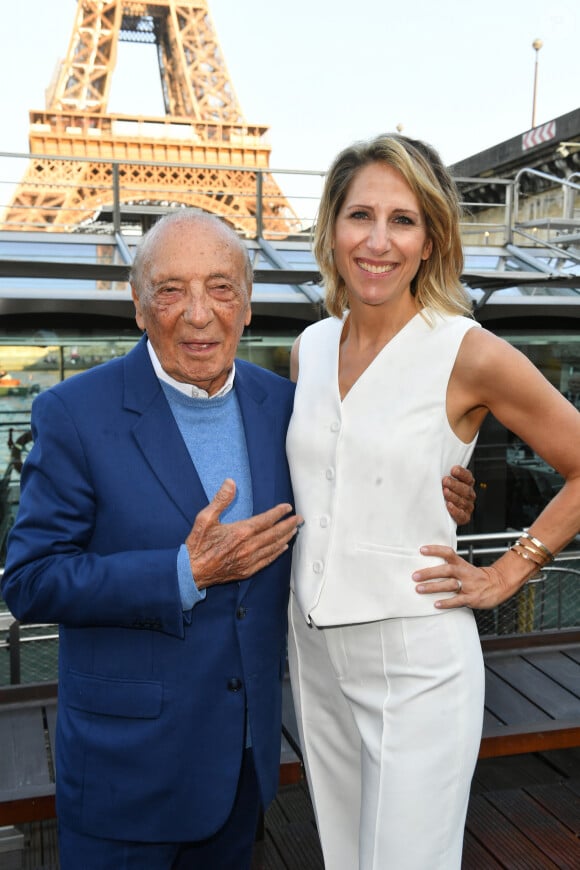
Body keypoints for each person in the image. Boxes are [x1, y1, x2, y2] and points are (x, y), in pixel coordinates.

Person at [1, 208, 474, 869]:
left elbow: (358, 491)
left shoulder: (287, 407)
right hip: (125, 780)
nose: (198, 314)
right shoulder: (74, 413)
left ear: (247, 305)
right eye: (170, 290)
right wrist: (181, 573)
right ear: (139, 307)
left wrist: (446, 489)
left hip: (240, 770)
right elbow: (28, 581)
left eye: (221, 287)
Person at [285, 134, 580, 870]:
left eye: (403, 220)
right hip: (313, 648)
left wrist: (509, 570)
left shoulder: (467, 350)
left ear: (430, 241)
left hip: (417, 656)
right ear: (332, 228)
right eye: (360, 216)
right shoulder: (310, 347)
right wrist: (450, 488)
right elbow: (338, 476)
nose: (377, 240)